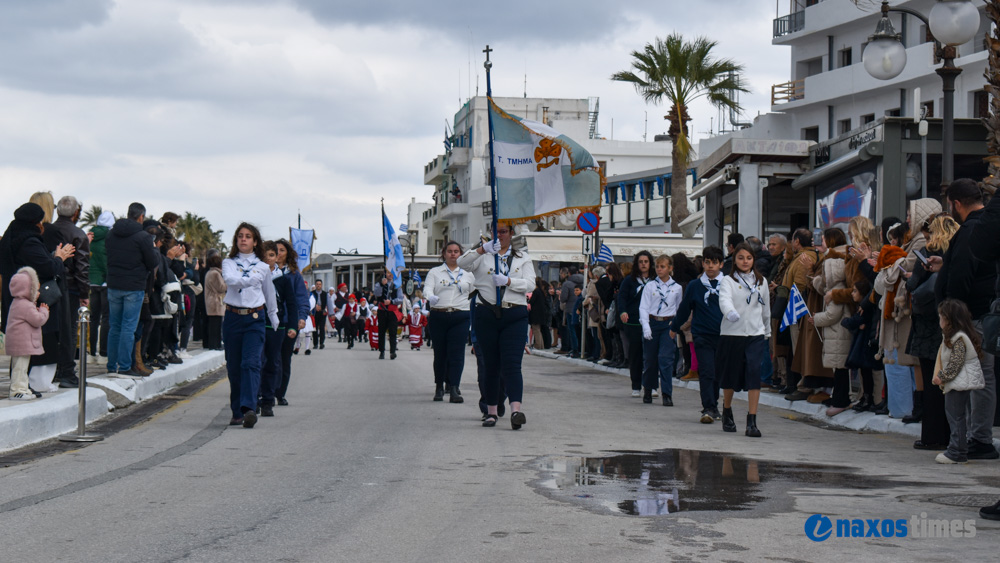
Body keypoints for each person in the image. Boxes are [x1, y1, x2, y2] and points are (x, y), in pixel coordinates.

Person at [932, 178, 998, 460]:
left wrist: (952, 314)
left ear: (955, 204)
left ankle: (976, 439)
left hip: (972, 317)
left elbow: (962, 273)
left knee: (973, 377)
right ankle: (975, 437)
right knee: (979, 376)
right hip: (978, 314)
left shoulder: (974, 229)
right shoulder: (983, 226)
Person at [458, 222, 535, 429]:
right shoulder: (482, 255)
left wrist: (509, 282)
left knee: (512, 365)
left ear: (511, 234)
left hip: (514, 314)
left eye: (503, 231)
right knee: (490, 366)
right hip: (487, 313)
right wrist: (482, 249)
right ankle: (491, 411)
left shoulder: (522, 258)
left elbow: (530, 284)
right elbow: (461, 263)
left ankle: (516, 410)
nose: (499, 235)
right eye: (496, 231)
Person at [0, 202, 74, 392]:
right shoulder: (29, 241)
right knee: (38, 341)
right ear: (36, 222)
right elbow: (48, 268)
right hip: (33, 300)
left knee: (20, 344)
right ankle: (32, 384)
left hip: (14, 299)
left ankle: (22, 383)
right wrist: (59, 258)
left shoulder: (11, 237)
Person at [221, 222, 279, 428]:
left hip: (255, 318)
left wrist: (274, 316)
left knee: (251, 363)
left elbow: (269, 293)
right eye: (240, 236)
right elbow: (230, 279)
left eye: (248, 236)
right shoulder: (228, 262)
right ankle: (236, 411)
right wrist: (249, 280)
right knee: (235, 367)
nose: (243, 239)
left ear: (255, 242)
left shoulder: (263, 267)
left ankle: (249, 409)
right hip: (233, 318)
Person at [717, 242, 771, 437]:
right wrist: (730, 312)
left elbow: (765, 308)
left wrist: (767, 330)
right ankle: (727, 409)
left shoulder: (761, 281)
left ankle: (752, 421)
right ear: (735, 260)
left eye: (748, 258)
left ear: (753, 259)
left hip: (755, 334)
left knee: (754, 372)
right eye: (741, 258)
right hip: (733, 334)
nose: (745, 261)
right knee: (731, 376)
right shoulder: (728, 281)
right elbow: (724, 299)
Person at [671, 246, 725, 423]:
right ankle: (708, 407)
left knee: (718, 372)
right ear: (702, 264)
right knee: (707, 371)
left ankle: (715, 405)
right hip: (702, 334)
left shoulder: (728, 284)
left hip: (724, 335)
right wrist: (675, 326)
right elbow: (684, 308)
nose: (710, 266)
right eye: (707, 262)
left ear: (721, 264)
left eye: (714, 262)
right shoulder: (695, 285)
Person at [104, 202, 159, 376]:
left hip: (113, 284)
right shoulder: (143, 237)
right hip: (134, 287)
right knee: (129, 327)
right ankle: (125, 366)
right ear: (141, 216)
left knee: (115, 326)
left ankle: (112, 366)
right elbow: (152, 262)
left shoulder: (111, 234)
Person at [933, 299, 986, 464]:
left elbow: (956, 363)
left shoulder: (958, 338)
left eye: (941, 317)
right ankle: (959, 450)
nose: (939, 320)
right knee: (957, 415)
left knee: (955, 416)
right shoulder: (957, 336)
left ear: (949, 319)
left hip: (958, 382)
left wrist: (942, 376)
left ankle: (956, 451)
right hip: (958, 381)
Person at [424, 241, 474, 402]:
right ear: (444, 254)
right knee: (440, 353)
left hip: (460, 316)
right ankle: (439, 386)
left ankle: (454, 388)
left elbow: (476, 292)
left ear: (461, 254)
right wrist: (430, 297)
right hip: (439, 314)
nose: (453, 254)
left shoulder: (468, 274)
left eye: (456, 251)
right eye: (450, 251)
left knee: (457, 354)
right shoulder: (435, 272)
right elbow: (427, 289)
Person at [257, 241, 298, 418]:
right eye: (264, 255)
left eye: (272, 255)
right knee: (257, 361)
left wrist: (293, 326)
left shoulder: (283, 279)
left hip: (277, 326)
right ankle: (254, 397)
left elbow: (291, 303)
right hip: (256, 324)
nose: (268, 259)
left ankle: (268, 400)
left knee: (273, 362)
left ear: (277, 257)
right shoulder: (254, 276)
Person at [639, 254, 683, 406]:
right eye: (657, 266)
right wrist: (645, 326)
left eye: (663, 266)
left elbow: (678, 308)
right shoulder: (650, 286)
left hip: (667, 324)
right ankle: (648, 388)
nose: (659, 269)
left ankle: (667, 393)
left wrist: (675, 326)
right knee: (650, 359)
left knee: (665, 359)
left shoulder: (677, 288)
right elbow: (643, 307)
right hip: (652, 321)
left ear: (670, 268)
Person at [4, 267, 50, 400]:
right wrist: (44, 311)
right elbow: (38, 320)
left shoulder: (17, 302)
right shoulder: (25, 305)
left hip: (19, 343)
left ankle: (23, 388)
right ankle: (16, 391)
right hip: (22, 343)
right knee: (20, 369)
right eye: (34, 289)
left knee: (22, 368)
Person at [273, 239, 309, 405]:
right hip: (270, 322)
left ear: (287, 254)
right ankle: (266, 390)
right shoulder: (266, 272)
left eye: (282, 250)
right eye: (275, 250)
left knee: (284, 358)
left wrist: (301, 317)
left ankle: (280, 393)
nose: (278, 254)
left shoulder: (294, 275)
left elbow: (301, 298)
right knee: (269, 358)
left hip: (288, 322)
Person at [618, 251, 654, 397]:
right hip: (633, 322)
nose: (643, 264)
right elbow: (622, 298)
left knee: (651, 355)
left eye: (646, 261)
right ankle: (636, 385)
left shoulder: (655, 280)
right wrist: (622, 312)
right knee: (635, 354)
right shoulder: (629, 281)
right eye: (641, 261)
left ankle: (651, 385)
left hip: (651, 321)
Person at [87, 210, 115, 365]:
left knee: (93, 318)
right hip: (104, 283)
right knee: (106, 319)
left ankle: (91, 353)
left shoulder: (90, 236)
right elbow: (106, 262)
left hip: (91, 282)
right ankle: (103, 354)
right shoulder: (109, 238)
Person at [373, 269, 403, 360]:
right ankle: (381, 351)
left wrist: (391, 301)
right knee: (381, 331)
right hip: (382, 310)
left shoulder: (397, 286)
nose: (390, 275)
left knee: (392, 332)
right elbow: (376, 294)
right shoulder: (379, 284)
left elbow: (400, 299)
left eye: (391, 273)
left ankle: (392, 351)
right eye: (388, 273)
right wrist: (382, 285)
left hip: (392, 311)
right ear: (385, 274)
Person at [202, 250, 226, 350]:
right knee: (215, 326)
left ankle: (213, 344)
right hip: (216, 302)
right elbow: (221, 287)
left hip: (211, 301)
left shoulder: (210, 272)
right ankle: (215, 344)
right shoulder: (215, 274)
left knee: (213, 325)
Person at [529, 277, 551, 350]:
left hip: (536, 314)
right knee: (539, 330)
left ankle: (538, 345)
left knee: (536, 330)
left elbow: (532, 301)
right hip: (541, 314)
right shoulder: (541, 291)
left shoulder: (536, 291)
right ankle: (541, 345)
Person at [311, 279, 328, 350]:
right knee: (314, 329)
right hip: (315, 313)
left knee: (321, 328)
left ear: (321, 285)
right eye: (317, 284)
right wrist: (315, 307)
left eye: (320, 284)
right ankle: (315, 344)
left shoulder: (325, 294)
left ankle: (321, 343)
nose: (318, 285)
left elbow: (328, 303)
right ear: (315, 285)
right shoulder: (312, 293)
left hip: (322, 312)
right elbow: (310, 302)